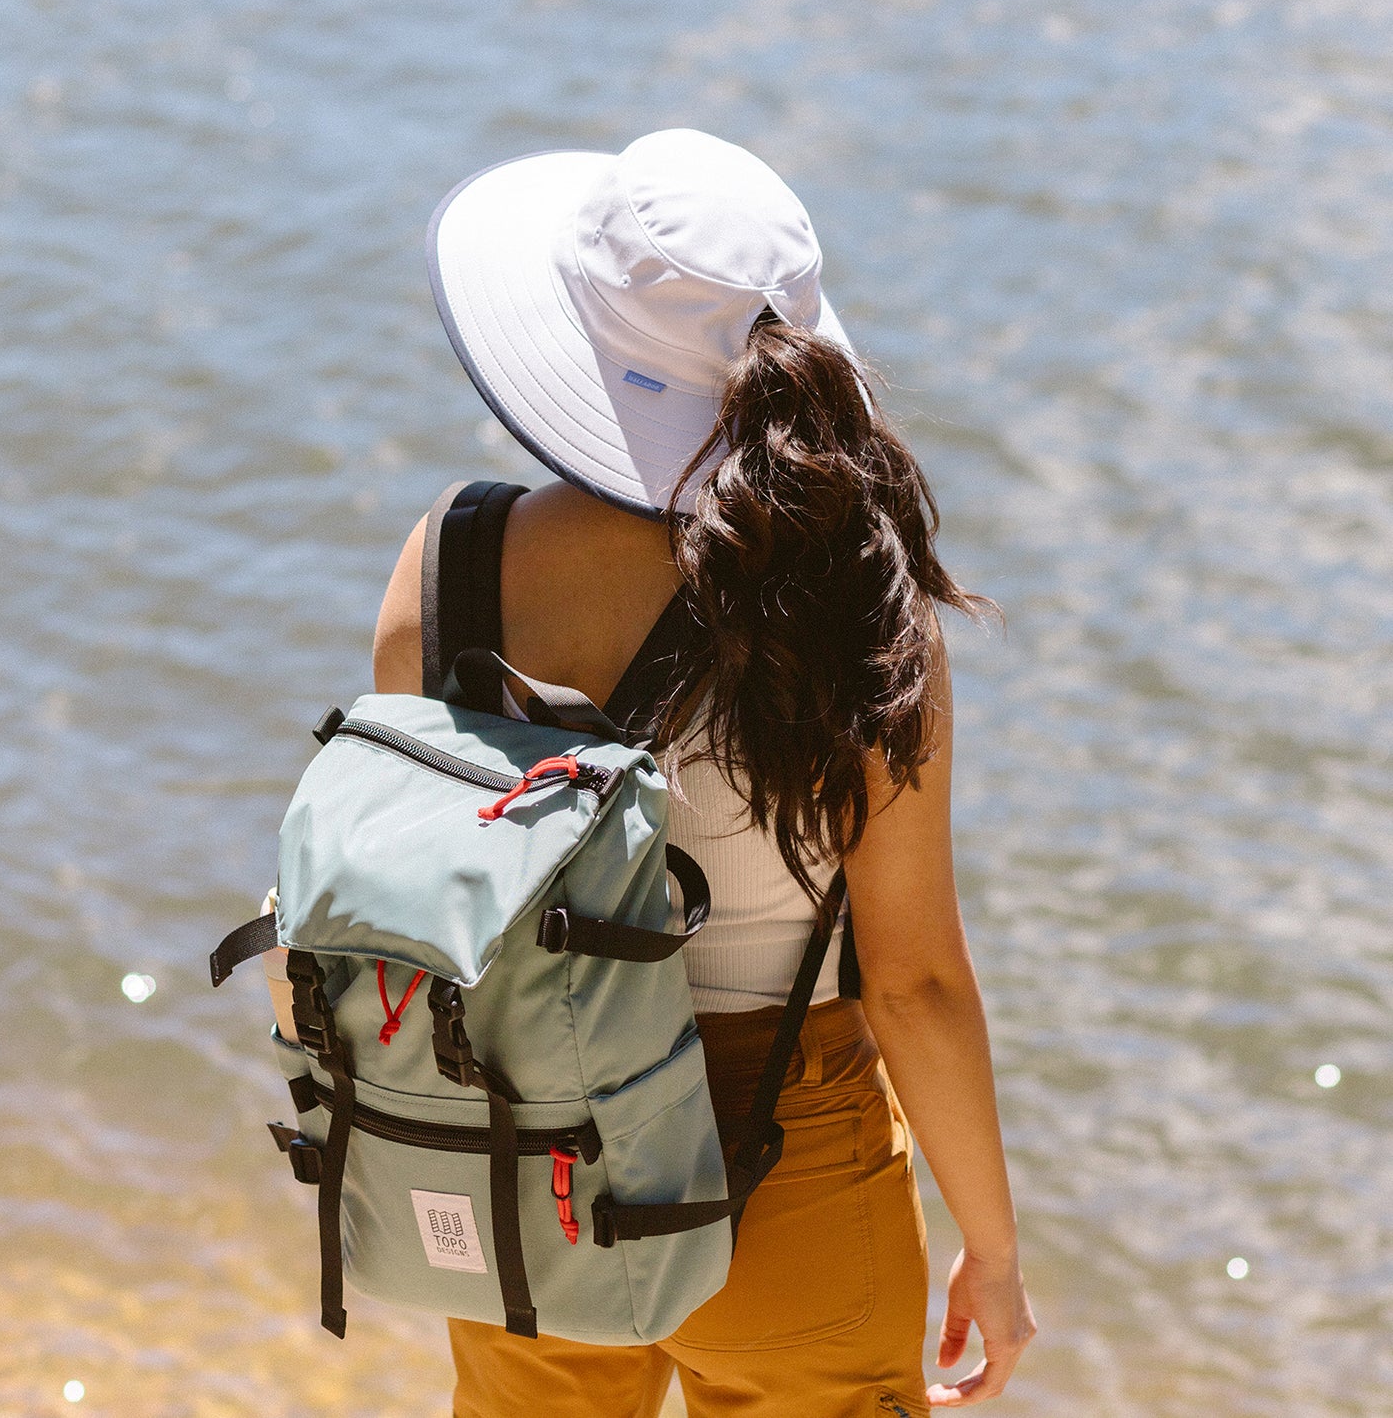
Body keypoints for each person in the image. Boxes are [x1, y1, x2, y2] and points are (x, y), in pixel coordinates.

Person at [371, 129, 1035, 1417]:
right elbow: (915, 983)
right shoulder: (859, 605)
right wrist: (995, 1256)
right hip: (786, 1160)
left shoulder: (450, 561)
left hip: (529, 1151)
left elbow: (413, 892)